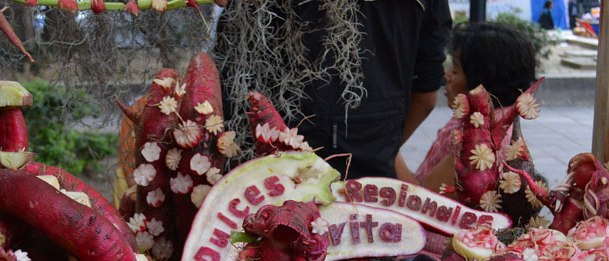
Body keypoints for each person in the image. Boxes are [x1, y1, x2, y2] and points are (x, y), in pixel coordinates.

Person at [212, 0, 452, 180]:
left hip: (277, 162)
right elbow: (426, 94)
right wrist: (383, 144)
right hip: (355, 166)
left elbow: (427, 91)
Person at [395, 21, 545, 225]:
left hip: (437, 249)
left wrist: (387, 145)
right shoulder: (493, 121)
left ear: (480, 83)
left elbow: (422, 203)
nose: (446, 75)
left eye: (455, 70)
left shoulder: (476, 141)